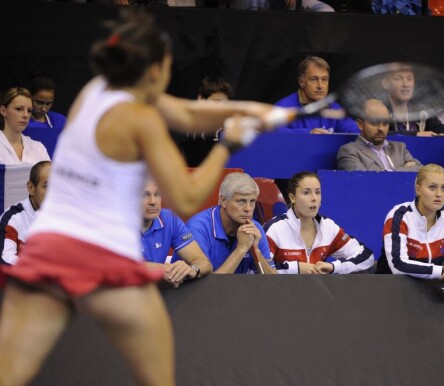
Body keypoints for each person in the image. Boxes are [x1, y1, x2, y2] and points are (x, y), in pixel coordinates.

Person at [0, 11, 277, 386]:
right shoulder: (141, 121)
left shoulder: (94, 93)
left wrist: (245, 110)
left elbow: (185, 112)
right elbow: (190, 192)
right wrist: (227, 145)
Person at [377, 164, 444, 296]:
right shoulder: (398, 216)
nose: (439, 194)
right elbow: (398, 264)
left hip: (430, 295)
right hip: (391, 292)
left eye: (443, 188)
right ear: (418, 189)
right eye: (432, 187)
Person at [264, 171, 374, 274]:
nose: (314, 198)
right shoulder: (274, 229)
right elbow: (258, 269)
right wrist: (295, 269)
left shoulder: (328, 227)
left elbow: (367, 257)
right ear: (292, 198)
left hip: (317, 292)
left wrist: (334, 267)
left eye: (317, 192)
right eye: (306, 192)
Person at [184, 172, 277, 274]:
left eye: (252, 201)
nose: (248, 209)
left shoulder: (254, 229)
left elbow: (273, 283)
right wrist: (241, 249)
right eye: (241, 201)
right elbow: (207, 288)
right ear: (223, 201)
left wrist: (256, 251)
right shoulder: (198, 228)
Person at [141, 181, 213, 287]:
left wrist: (192, 270)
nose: (153, 201)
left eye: (157, 194)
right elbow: (118, 266)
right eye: (144, 195)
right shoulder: (114, 224)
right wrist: (161, 269)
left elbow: (204, 263)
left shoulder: (170, 219)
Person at [274, 56, 358, 134]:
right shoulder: (284, 107)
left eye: (324, 80)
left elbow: (353, 132)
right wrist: (308, 134)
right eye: (314, 79)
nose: (320, 86)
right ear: (301, 82)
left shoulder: (333, 107)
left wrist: (366, 124)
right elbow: (271, 132)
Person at [337, 99, 421, 171]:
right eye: (375, 123)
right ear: (360, 124)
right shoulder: (349, 151)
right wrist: (404, 170)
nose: (381, 128)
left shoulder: (400, 148)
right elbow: (365, 180)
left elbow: (422, 172)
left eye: (385, 123)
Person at [383, 64, 444, 137]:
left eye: (409, 78)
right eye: (398, 78)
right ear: (386, 83)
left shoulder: (421, 111)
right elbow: (376, 135)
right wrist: (416, 135)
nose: (405, 84)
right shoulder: (376, 111)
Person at [0, 161, 50, 265]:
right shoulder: (12, 218)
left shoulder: (67, 219)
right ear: (31, 188)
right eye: (47, 186)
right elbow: (5, 259)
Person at [177, 75, 233, 166]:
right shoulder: (190, 123)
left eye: (225, 104)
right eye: (217, 101)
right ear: (201, 99)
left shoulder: (226, 125)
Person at [0, 87, 51, 165]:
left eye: (29, 110)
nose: (26, 115)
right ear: (3, 111)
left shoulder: (38, 148)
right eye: (19, 109)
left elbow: (48, 176)